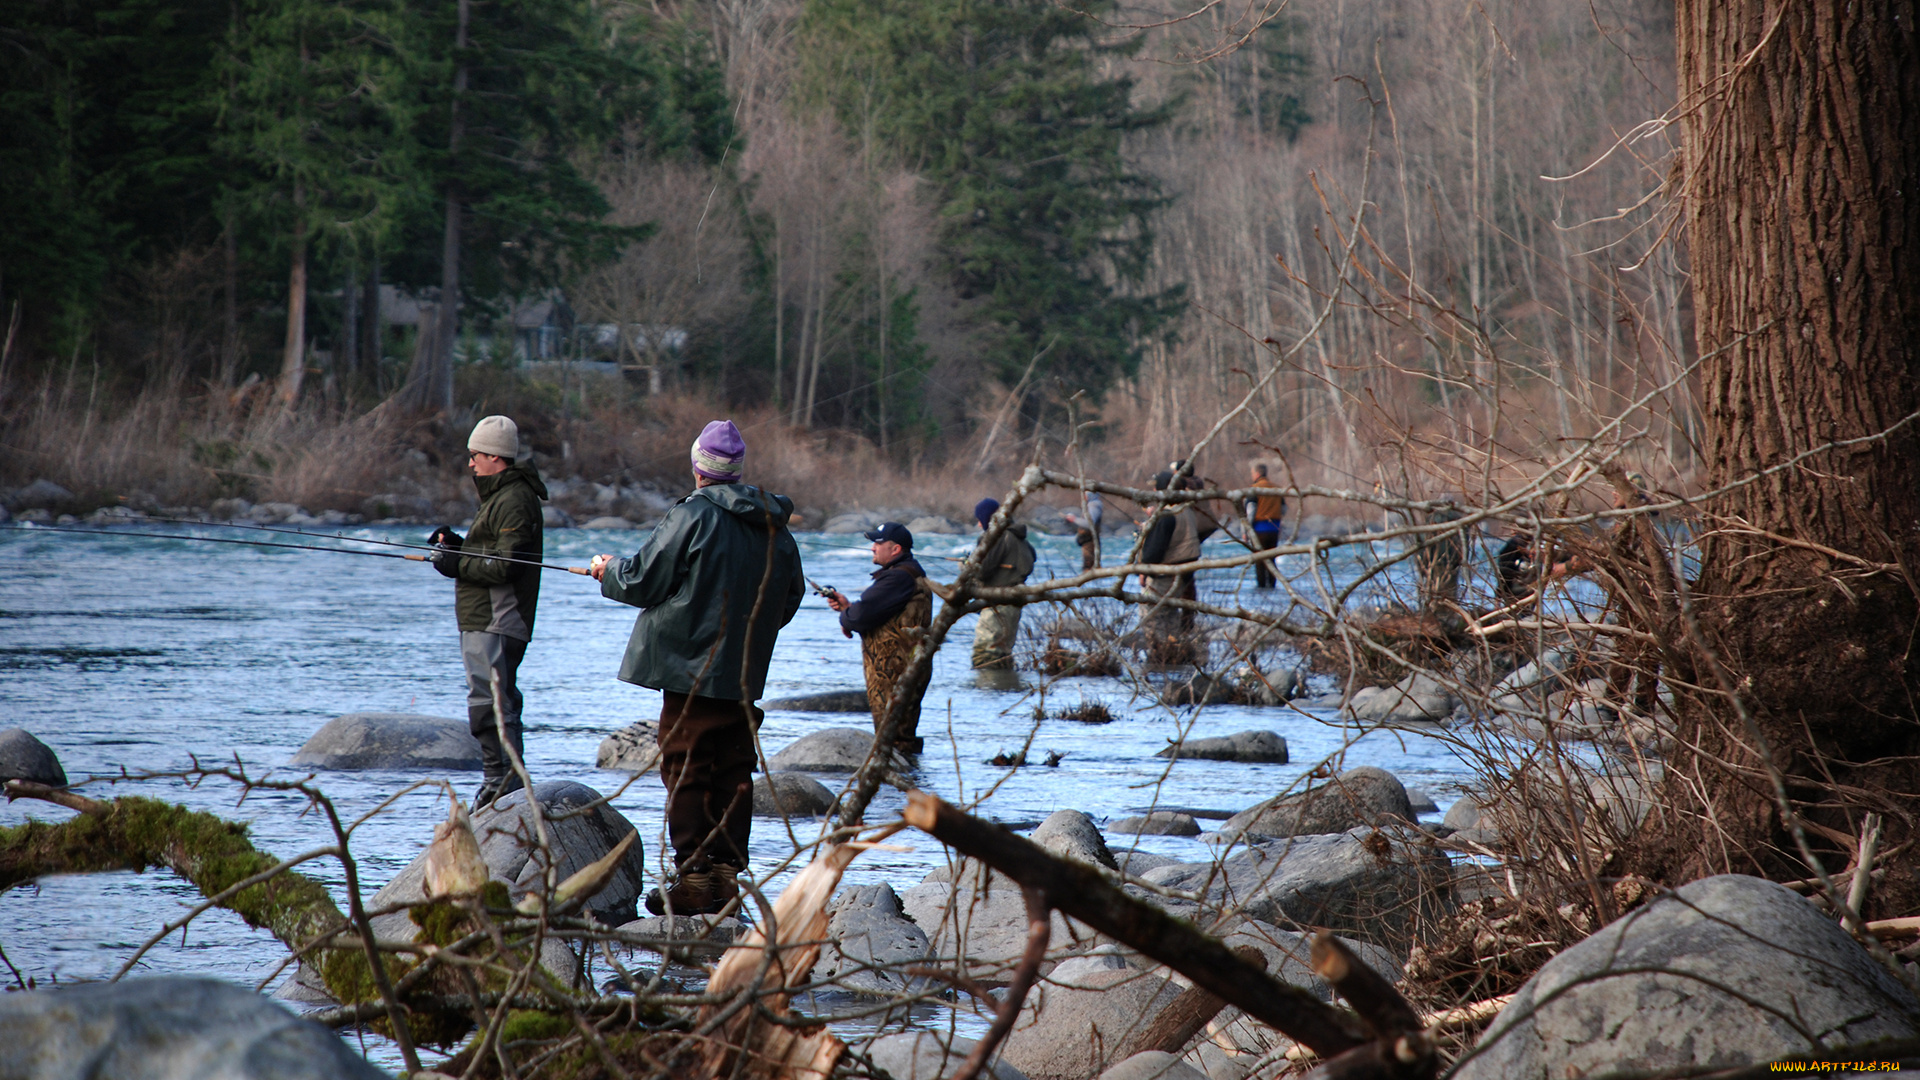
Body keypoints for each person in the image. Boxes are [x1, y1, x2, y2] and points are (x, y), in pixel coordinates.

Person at [589, 420, 804, 916]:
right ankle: (726, 880)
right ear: (737, 470)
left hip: (690, 672)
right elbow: (789, 599)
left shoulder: (693, 514)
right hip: (743, 676)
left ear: (698, 467)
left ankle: (693, 880)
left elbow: (643, 580)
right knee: (733, 770)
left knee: (686, 769)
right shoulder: (775, 526)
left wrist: (607, 570)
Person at [430, 415, 547, 811]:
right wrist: (458, 546)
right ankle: (502, 780)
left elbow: (505, 565)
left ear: (495, 457)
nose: (470, 463)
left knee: (491, 701)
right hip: (485, 618)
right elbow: (491, 552)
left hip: (498, 618)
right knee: (495, 697)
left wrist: (456, 564)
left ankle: (502, 782)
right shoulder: (501, 496)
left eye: (475, 455)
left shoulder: (514, 499)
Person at [825, 522, 932, 754]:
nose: (872, 547)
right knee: (898, 735)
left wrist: (847, 616)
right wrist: (847, 609)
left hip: (895, 669)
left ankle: (902, 776)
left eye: (878, 543)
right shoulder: (906, 574)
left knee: (894, 739)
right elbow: (872, 614)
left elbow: (861, 615)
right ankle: (909, 774)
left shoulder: (898, 578)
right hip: (903, 667)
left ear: (895, 549)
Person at [1137, 469, 1206, 662]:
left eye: (1156, 489)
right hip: (1183, 577)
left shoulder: (1167, 517)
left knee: (1151, 617)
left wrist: (1147, 533)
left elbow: (1153, 553)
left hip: (1163, 577)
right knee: (1171, 617)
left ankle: (1160, 658)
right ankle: (1176, 656)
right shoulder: (1188, 511)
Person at [968, 498, 1037, 670]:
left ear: (988, 518)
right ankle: (1005, 684)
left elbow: (981, 571)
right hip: (1014, 605)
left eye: (980, 520)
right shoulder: (1021, 538)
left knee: (985, 656)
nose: (979, 525)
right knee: (1002, 656)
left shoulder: (997, 537)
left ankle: (991, 687)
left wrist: (967, 565)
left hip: (996, 605)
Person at [1413, 499, 1466, 613]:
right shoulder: (1458, 522)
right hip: (1451, 565)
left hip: (1433, 565)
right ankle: (1448, 616)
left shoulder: (1431, 523)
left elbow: (1422, 547)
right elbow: (1463, 546)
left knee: (1433, 596)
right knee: (1449, 598)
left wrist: (1422, 567)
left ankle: (1434, 615)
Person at [1243, 463, 1285, 589]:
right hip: (1274, 529)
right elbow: (1283, 508)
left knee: (1260, 561)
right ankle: (1272, 586)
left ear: (1256, 474)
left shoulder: (1253, 489)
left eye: (1252, 473)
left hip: (1259, 530)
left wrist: (1246, 531)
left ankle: (1261, 589)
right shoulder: (1277, 489)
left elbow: (1250, 511)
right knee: (1271, 559)